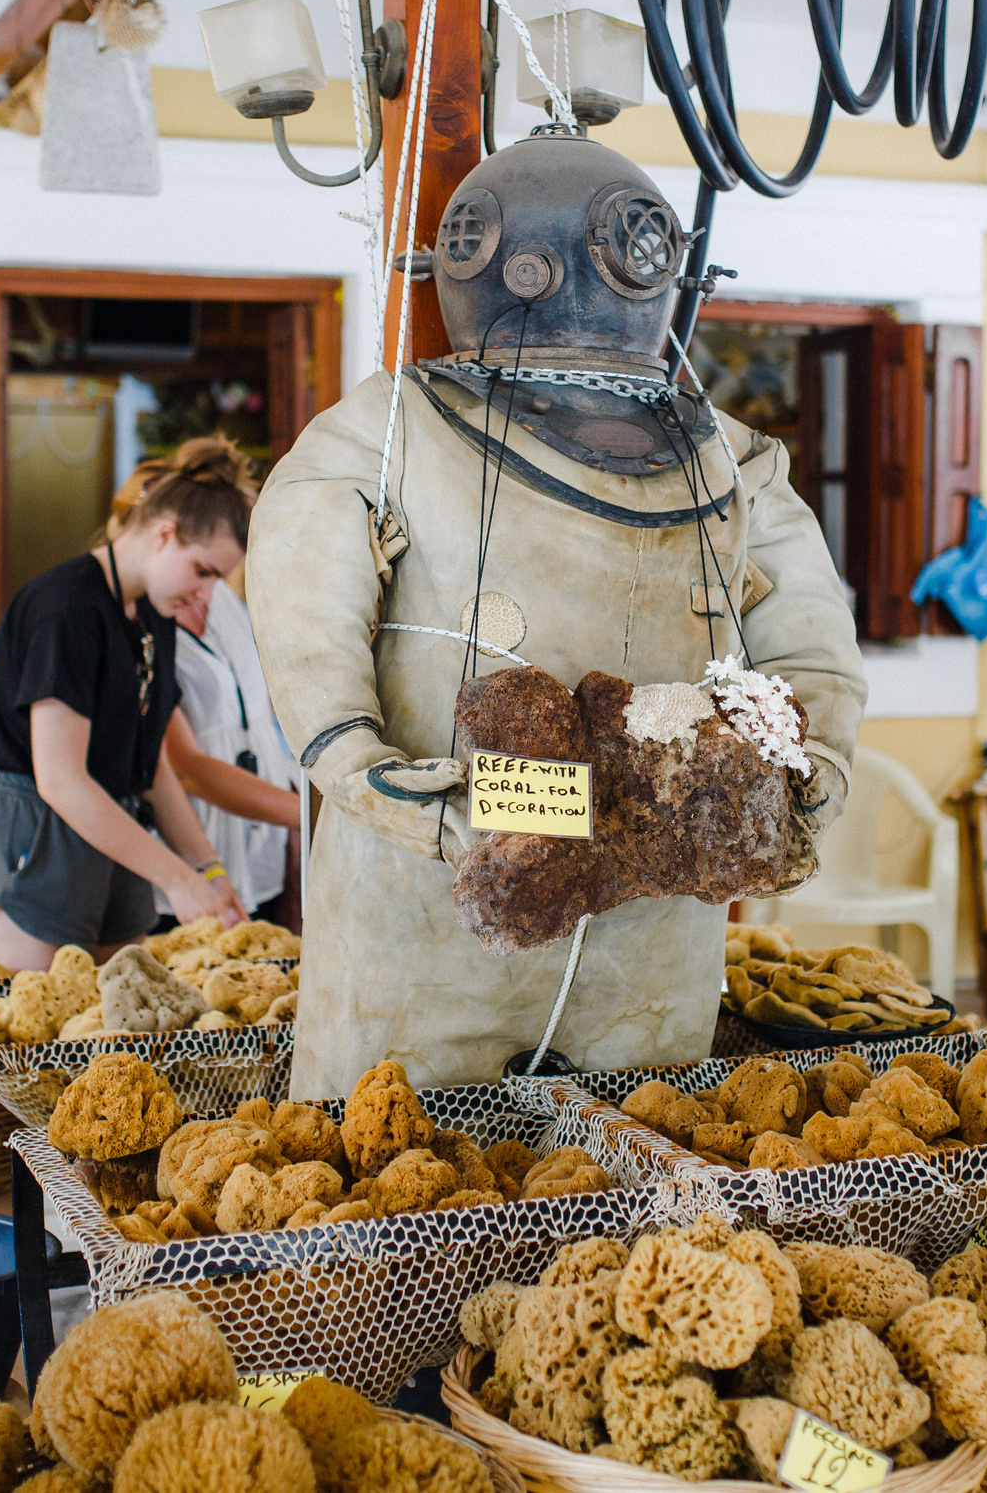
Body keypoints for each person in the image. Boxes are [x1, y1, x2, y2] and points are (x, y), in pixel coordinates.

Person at [247, 129, 865, 1099]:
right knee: (397, 1162)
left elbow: (812, 649)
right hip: (434, 919)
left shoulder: (726, 456)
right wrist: (371, 773)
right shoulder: (387, 432)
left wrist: (808, 764)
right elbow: (303, 616)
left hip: (653, 931)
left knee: (637, 1161)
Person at [0, 440, 255, 972]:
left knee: (113, 1042)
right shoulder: (66, 608)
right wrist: (176, 878)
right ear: (165, 534)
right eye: (204, 572)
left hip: (116, 831)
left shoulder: (151, 615)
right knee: (30, 1043)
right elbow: (61, 780)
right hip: (37, 830)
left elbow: (152, 765)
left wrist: (207, 870)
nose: (208, 596)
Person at [165, 572, 303, 926]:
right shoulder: (150, 622)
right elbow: (186, 769)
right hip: (197, 849)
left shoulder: (225, 597)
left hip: (263, 849)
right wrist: (307, 815)